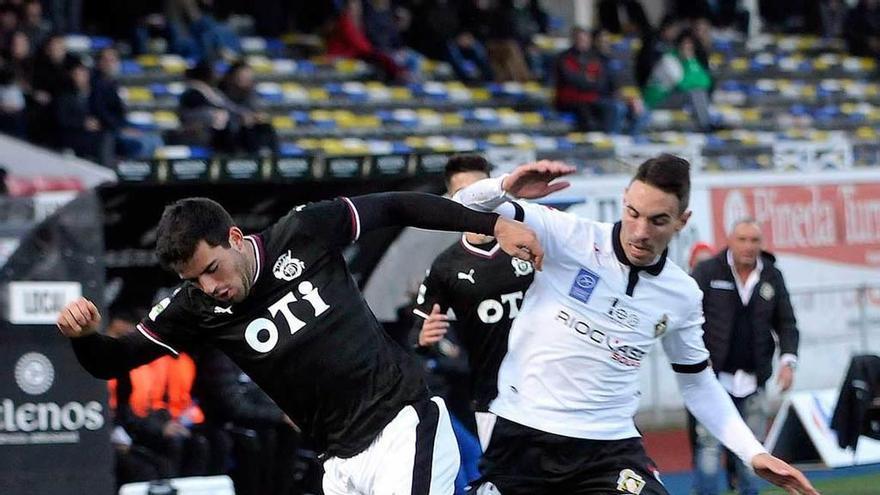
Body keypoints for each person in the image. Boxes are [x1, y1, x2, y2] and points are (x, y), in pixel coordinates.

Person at [56, 191, 544, 494]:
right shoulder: (195, 306)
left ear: (234, 236)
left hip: (399, 423)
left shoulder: (304, 230)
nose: (210, 286)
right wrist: (82, 337)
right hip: (337, 460)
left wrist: (492, 224)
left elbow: (396, 205)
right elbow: (111, 362)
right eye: (193, 279)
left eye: (212, 269)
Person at [454, 157, 818, 495]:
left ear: (682, 221)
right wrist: (505, 186)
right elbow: (462, 206)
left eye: (658, 220)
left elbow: (696, 381)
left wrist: (753, 452)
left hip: (610, 449)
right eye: (633, 213)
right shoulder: (569, 235)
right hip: (524, 437)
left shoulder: (682, 293)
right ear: (624, 200)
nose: (641, 231)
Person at [413, 155, 534, 452]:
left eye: (482, 191)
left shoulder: (529, 241)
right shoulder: (445, 267)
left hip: (550, 388)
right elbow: (418, 332)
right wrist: (423, 338)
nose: (475, 201)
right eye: (465, 194)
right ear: (451, 200)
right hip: (493, 399)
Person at [689, 218, 800, 495]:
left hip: (754, 381)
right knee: (709, 453)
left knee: (754, 456)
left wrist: (788, 362)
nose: (748, 247)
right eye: (742, 239)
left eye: (754, 241)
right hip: (713, 382)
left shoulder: (772, 275)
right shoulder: (707, 271)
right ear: (730, 240)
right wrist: (696, 359)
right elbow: (688, 318)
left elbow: (786, 323)